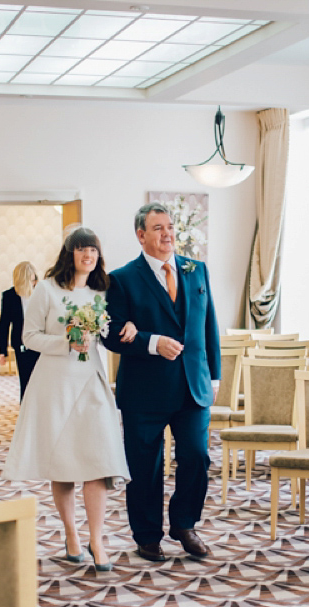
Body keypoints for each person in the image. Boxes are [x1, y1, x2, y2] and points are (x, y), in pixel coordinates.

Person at [2, 228, 130, 570]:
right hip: (55, 384)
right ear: (69, 253)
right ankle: (72, 533)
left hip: (92, 381)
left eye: (94, 250)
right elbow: (29, 337)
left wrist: (128, 327)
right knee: (64, 463)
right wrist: (65, 343)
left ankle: (98, 539)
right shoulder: (46, 289)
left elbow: (112, 331)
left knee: (99, 460)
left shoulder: (103, 291)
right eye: (82, 249)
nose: (88, 255)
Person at [102, 203, 222, 563]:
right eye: (158, 228)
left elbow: (208, 325)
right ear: (141, 235)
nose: (167, 233)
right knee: (145, 466)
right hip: (145, 390)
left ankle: (185, 525)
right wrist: (152, 343)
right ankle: (147, 535)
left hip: (192, 387)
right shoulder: (122, 279)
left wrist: (214, 375)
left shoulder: (196, 270)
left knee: (196, 458)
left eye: (170, 227)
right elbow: (109, 334)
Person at [0, 260, 40, 399]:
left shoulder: (39, 293)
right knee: (26, 379)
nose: (34, 283)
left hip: (41, 342)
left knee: (40, 379)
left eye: (35, 280)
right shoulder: (9, 296)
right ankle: (26, 412)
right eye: (32, 280)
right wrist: (2, 351)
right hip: (21, 344)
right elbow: (4, 324)